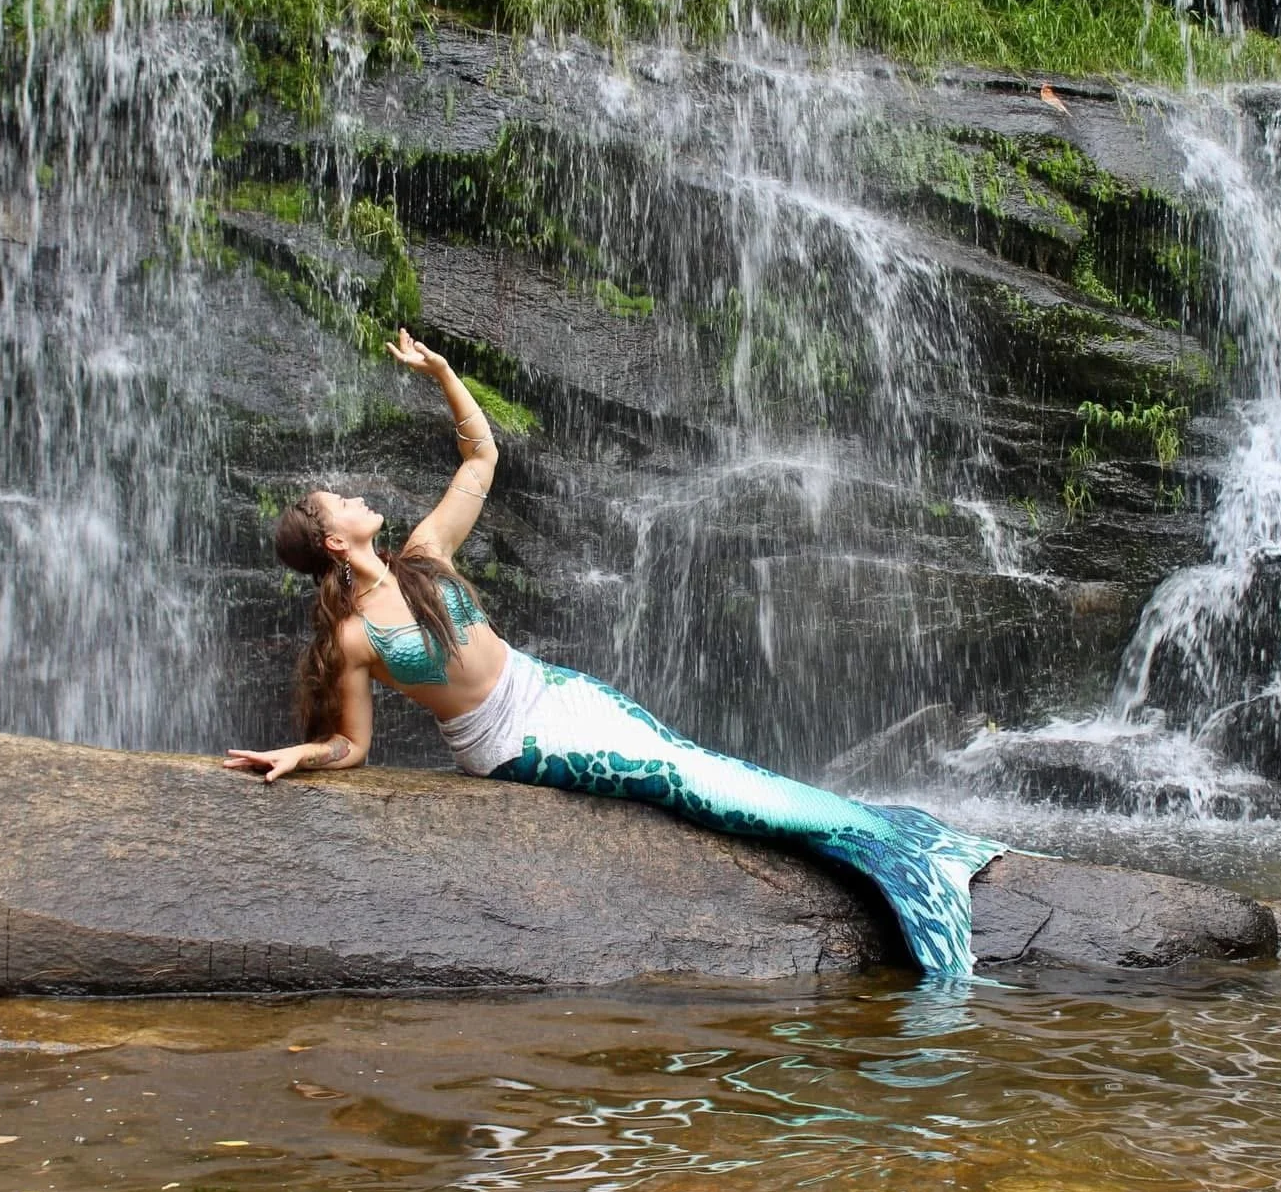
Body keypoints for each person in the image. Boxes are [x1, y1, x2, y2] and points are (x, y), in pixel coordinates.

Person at [225, 328, 1008, 977]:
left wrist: (445, 374)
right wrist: (302, 755)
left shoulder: (425, 556)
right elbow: (352, 745)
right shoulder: (354, 638)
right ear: (334, 539)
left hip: (555, 689)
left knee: (702, 767)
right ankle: (899, 865)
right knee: (691, 785)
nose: (362, 498)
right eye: (344, 503)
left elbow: (480, 458)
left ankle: (898, 839)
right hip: (513, 742)